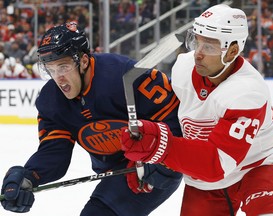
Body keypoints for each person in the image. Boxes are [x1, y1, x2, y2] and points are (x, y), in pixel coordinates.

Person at [0, 21, 182, 215]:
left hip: (152, 167)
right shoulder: (51, 101)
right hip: (115, 170)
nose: (57, 78)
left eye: (62, 67)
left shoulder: (123, 75)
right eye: (50, 70)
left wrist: (163, 156)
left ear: (84, 61)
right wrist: (29, 175)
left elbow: (175, 115)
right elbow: (55, 152)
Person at [121, 4, 273, 216]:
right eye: (196, 41)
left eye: (209, 47)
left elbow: (216, 163)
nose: (197, 54)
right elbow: (169, 123)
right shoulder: (183, 68)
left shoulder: (246, 92)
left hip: (256, 168)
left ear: (233, 51)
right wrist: (146, 154)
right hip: (206, 180)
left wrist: (160, 148)